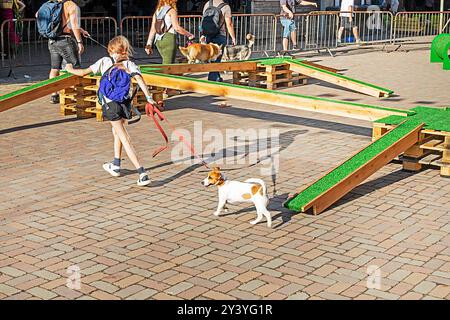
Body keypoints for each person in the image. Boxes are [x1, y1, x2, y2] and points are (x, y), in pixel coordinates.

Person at [66, 36, 155, 187]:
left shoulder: (104, 61)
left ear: (111, 49)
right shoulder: (130, 64)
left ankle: (142, 173)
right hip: (125, 103)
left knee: (124, 138)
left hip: (110, 104)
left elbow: (82, 73)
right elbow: (140, 80)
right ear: (126, 50)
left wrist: (69, 69)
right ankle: (116, 164)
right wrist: (149, 98)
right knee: (117, 133)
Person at [36, 0, 89, 104]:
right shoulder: (71, 5)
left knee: (54, 68)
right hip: (65, 41)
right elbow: (73, 24)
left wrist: (81, 30)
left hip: (52, 40)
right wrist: (79, 41)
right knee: (74, 67)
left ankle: (54, 95)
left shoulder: (50, 3)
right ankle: (74, 95)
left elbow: (37, 14)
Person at [145, 0, 194, 64]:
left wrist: (148, 44)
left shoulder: (157, 12)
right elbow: (177, 28)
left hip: (158, 40)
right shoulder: (172, 11)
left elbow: (152, 29)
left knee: (167, 63)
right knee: (168, 66)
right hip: (169, 39)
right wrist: (189, 34)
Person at [201, 0, 236, 82]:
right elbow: (229, 24)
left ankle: (216, 77)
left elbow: (204, 20)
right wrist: (233, 37)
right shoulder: (225, 7)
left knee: (212, 57)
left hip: (208, 35)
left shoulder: (208, 3)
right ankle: (213, 78)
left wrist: (203, 34)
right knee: (217, 58)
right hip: (220, 35)